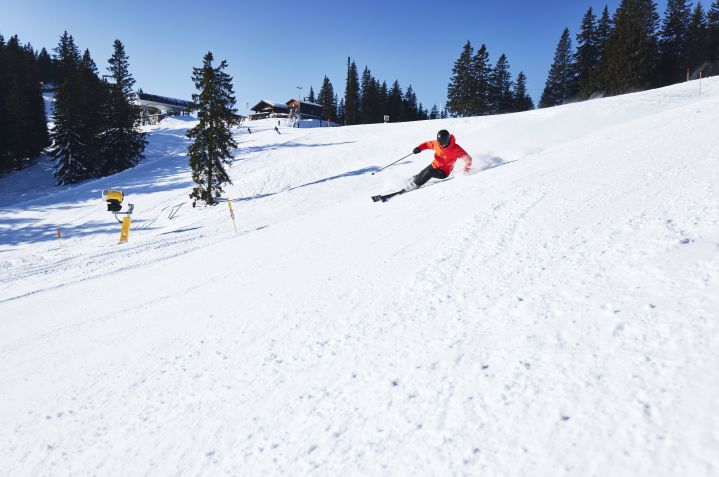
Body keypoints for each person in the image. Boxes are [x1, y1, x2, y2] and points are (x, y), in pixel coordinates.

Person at [405, 129, 472, 191]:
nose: (442, 145)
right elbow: (427, 144)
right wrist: (419, 148)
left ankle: (414, 185)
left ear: (448, 140)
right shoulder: (436, 144)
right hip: (435, 165)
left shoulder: (455, 149)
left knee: (429, 172)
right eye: (441, 143)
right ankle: (415, 179)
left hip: (444, 172)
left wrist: (466, 169)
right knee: (423, 172)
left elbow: (468, 159)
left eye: (444, 143)